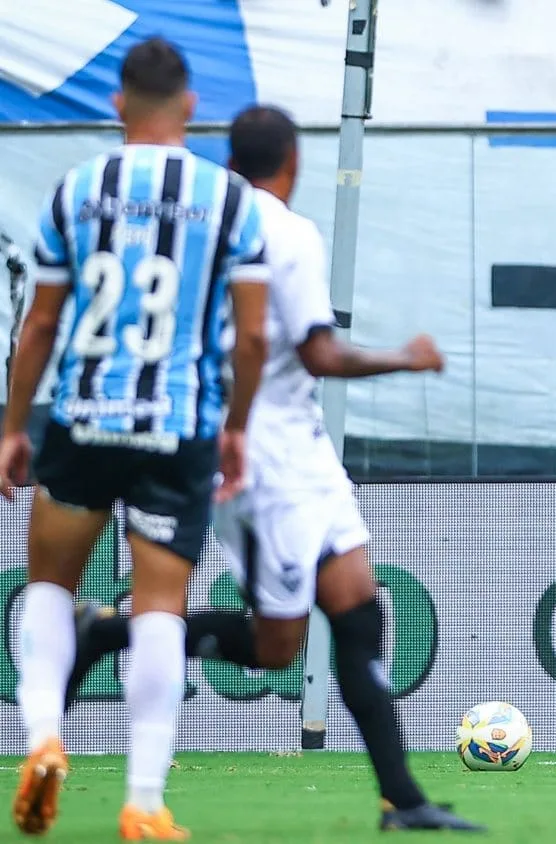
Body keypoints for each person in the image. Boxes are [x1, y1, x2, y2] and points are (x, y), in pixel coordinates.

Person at [66, 105, 483, 833]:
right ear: (293, 161)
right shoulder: (282, 231)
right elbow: (320, 353)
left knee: (359, 611)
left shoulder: (205, 226)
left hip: (305, 450)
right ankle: (106, 635)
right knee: (276, 647)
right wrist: (405, 358)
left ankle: (403, 799)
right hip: (255, 461)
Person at [4, 38, 271, 839]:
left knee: (49, 582)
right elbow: (252, 340)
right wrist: (236, 428)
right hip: (179, 422)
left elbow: (40, 322)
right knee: (160, 607)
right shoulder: (230, 199)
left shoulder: (78, 190)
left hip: (85, 417)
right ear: (190, 107)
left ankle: (43, 735)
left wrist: (13, 426)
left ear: (118, 106)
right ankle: (144, 801)